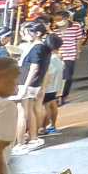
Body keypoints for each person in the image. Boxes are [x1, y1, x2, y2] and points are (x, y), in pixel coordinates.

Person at [15, 22, 51, 150]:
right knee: (29, 111)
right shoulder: (43, 47)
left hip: (26, 83)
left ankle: (20, 144)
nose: (23, 35)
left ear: (37, 33)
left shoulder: (37, 48)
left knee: (22, 113)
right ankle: (33, 138)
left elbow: (34, 68)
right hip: (33, 83)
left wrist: (25, 86)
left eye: (25, 32)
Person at [52, 11, 84, 104]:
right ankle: (57, 95)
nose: (57, 21)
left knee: (67, 76)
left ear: (66, 19)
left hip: (70, 54)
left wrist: (78, 52)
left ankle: (63, 95)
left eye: (59, 19)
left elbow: (78, 40)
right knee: (57, 76)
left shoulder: (75, 26)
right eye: (56, 20)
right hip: (57, 55)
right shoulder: (54, 29)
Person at [41, 34, 65, 135]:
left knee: (46, 105)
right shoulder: (58, 56)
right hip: (55, 85)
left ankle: (43, 127)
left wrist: (43, 84)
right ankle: (53, 125)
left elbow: (49, 73)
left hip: (49, 86)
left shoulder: (51, 58)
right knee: (52, 104)